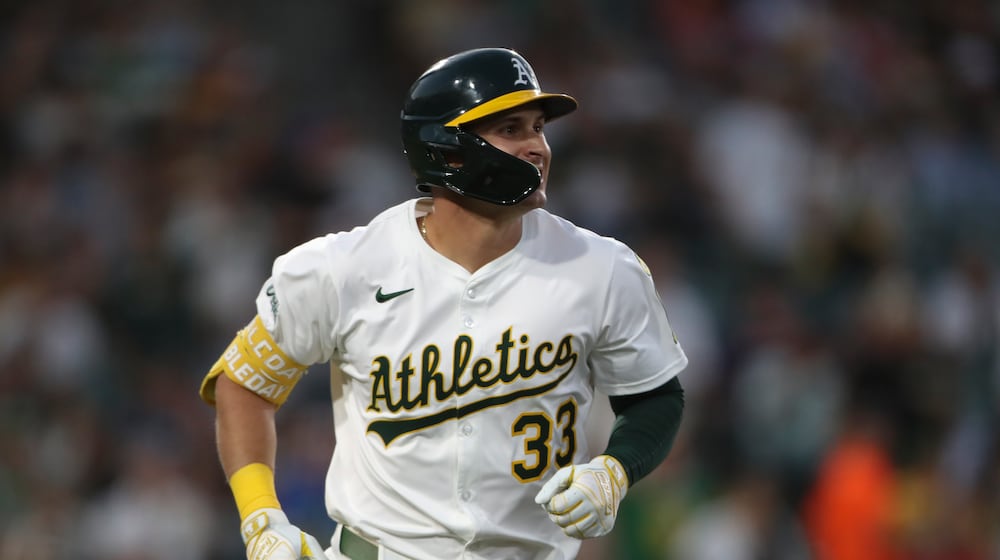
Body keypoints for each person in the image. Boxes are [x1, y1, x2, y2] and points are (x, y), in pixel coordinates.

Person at [198, 47, 688, 560]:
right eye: (511, 129)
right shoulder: (346, 267)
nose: (537, 147)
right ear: (445, 149)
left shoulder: (602, 267)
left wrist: (615, 470)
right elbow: (243, 384)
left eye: (538, 128)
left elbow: (656, 396)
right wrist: (262, 518)